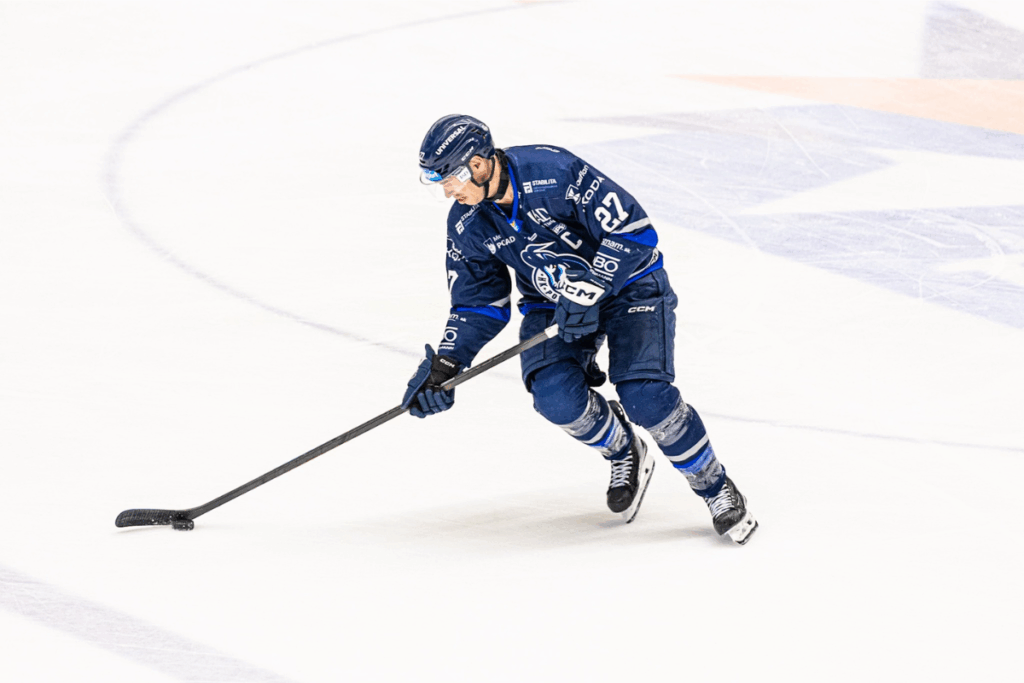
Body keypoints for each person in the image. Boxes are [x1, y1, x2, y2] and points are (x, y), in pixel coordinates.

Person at [402, 114, 757, 544]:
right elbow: (479, 303)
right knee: (554, 397)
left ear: (478, 164)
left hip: (630, 286)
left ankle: (715, 486)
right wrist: (446, 363)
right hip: (553, 305)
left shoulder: (553, 170)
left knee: (646, 396)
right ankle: (624, 448)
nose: (448, 192)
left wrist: (593, 285)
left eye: (451, 179)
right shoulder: (466, 223)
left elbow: (633, 229)